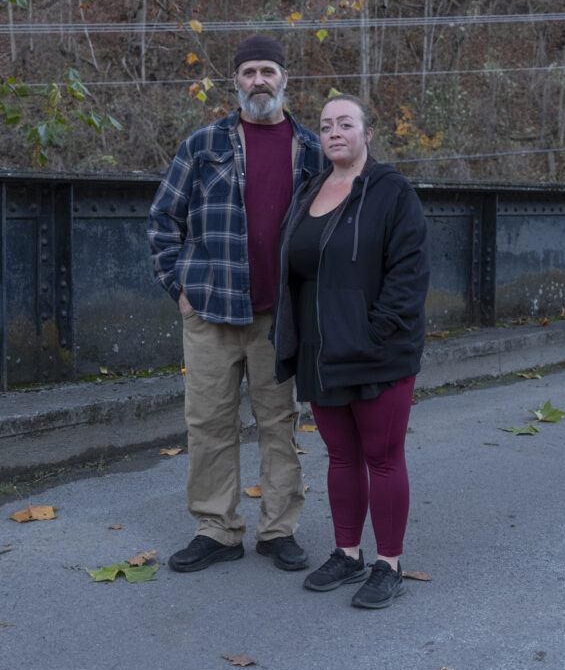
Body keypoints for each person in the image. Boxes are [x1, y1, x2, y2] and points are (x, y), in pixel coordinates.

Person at [147, 35, 327, 573]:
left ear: (285, 79)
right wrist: (178, 289)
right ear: (235, 81)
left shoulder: (313, 150)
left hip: (281, 316)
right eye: (248, 72)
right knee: (208, 424)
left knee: (280, 424)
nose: (259, 81)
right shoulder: (204, 144)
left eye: (268, 71)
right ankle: (217, 528)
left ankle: (279, 530)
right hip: (210, 311)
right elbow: (163, 220)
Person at [273, 94, 430, 608]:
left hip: (376, 351)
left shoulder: (392, 192)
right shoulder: (310, 190)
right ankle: (348, 553)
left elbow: (409, 274)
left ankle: (389, 563)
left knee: (383, 458)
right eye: (325, 125)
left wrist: (375, 334)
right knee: (340, 457)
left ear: (366, 132)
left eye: (345, 123)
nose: (334, 132)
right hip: (321, 351)